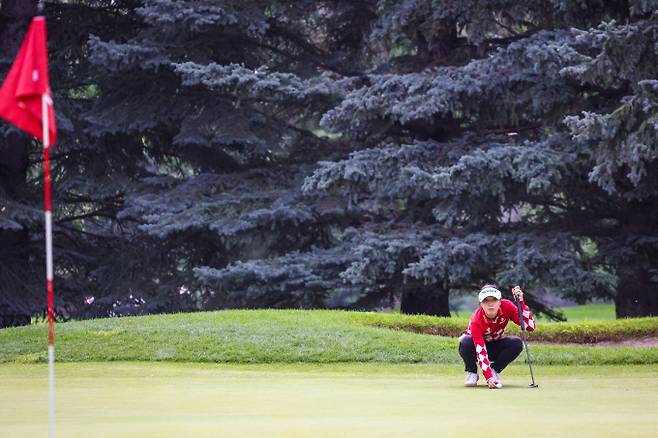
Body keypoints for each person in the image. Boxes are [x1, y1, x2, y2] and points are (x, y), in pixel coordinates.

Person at [458, 284, 535, 389]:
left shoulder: (507, 306)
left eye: (494, 300)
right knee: (465, 342)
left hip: (495, 346)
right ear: (481, 304)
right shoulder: (476, 320)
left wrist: (521, 303)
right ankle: (472, 373)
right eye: (486, 301)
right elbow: (480, 350)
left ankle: (494, 369)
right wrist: (488, 378)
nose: (490, 304)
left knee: (516, 343)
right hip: (475, 348)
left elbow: (529, 326)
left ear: (500, 302)